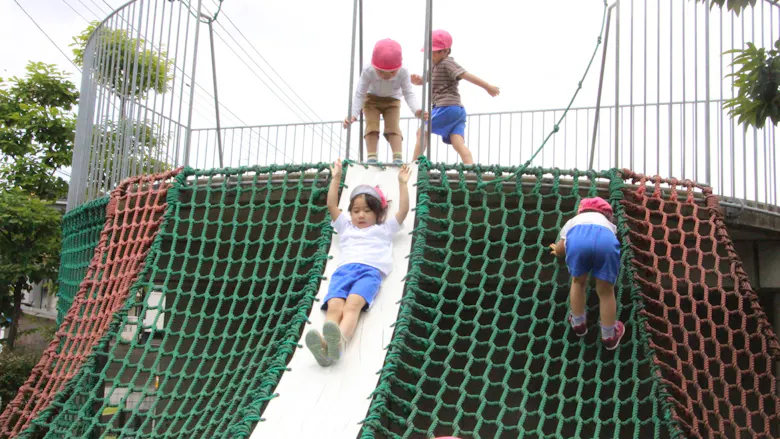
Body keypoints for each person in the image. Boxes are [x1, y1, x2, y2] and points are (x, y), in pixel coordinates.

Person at [305, 159, 411, 366]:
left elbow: (403, 211)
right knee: (335, 306)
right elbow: (331, 205)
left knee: (352, 305)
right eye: (355, 211)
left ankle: (339, 343)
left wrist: (402, 184)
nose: (360, 215)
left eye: (367, 211)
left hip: (369, 273)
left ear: (378, 213)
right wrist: (336, 178)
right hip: (343, 272)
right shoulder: (346, 227)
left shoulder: (384, 229)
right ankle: (326, 347)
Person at [411, 29, 500, 165]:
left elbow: (466, 75)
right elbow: (424, 80)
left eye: (434, 51)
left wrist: (487, 86)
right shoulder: (435, 66)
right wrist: (417, 81)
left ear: (446, 51)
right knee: (457, 142)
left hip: (446, 107)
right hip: (457, 112)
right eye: (430, 52)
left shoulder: (447, 63)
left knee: (421, 132)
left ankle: (413, 165)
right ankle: (470, 168)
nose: (431, 55)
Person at [549, 197, 625, 350]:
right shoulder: (608, 224)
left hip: (578, 240)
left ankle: (578, 323)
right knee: (605, 291)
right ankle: (609, 334)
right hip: (605, 242)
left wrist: (557, 251)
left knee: (578, 282)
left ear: (581, 211)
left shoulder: (574, 221)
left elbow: (562, 247)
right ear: (607, 215)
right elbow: (612, 238)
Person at [345, 39, 423, 165]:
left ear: (398, 67)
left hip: (393, 100)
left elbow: (408, 93)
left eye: (392, 72)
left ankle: (397, 157)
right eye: (381, 71)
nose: (386, 75)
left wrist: (417, 110)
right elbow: (360, 93)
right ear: (374, 66)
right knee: (372, 125)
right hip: (371, 99)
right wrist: (353, 114)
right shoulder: (368, 70)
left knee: (393, 127)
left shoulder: (403, 72)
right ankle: (371, 157)